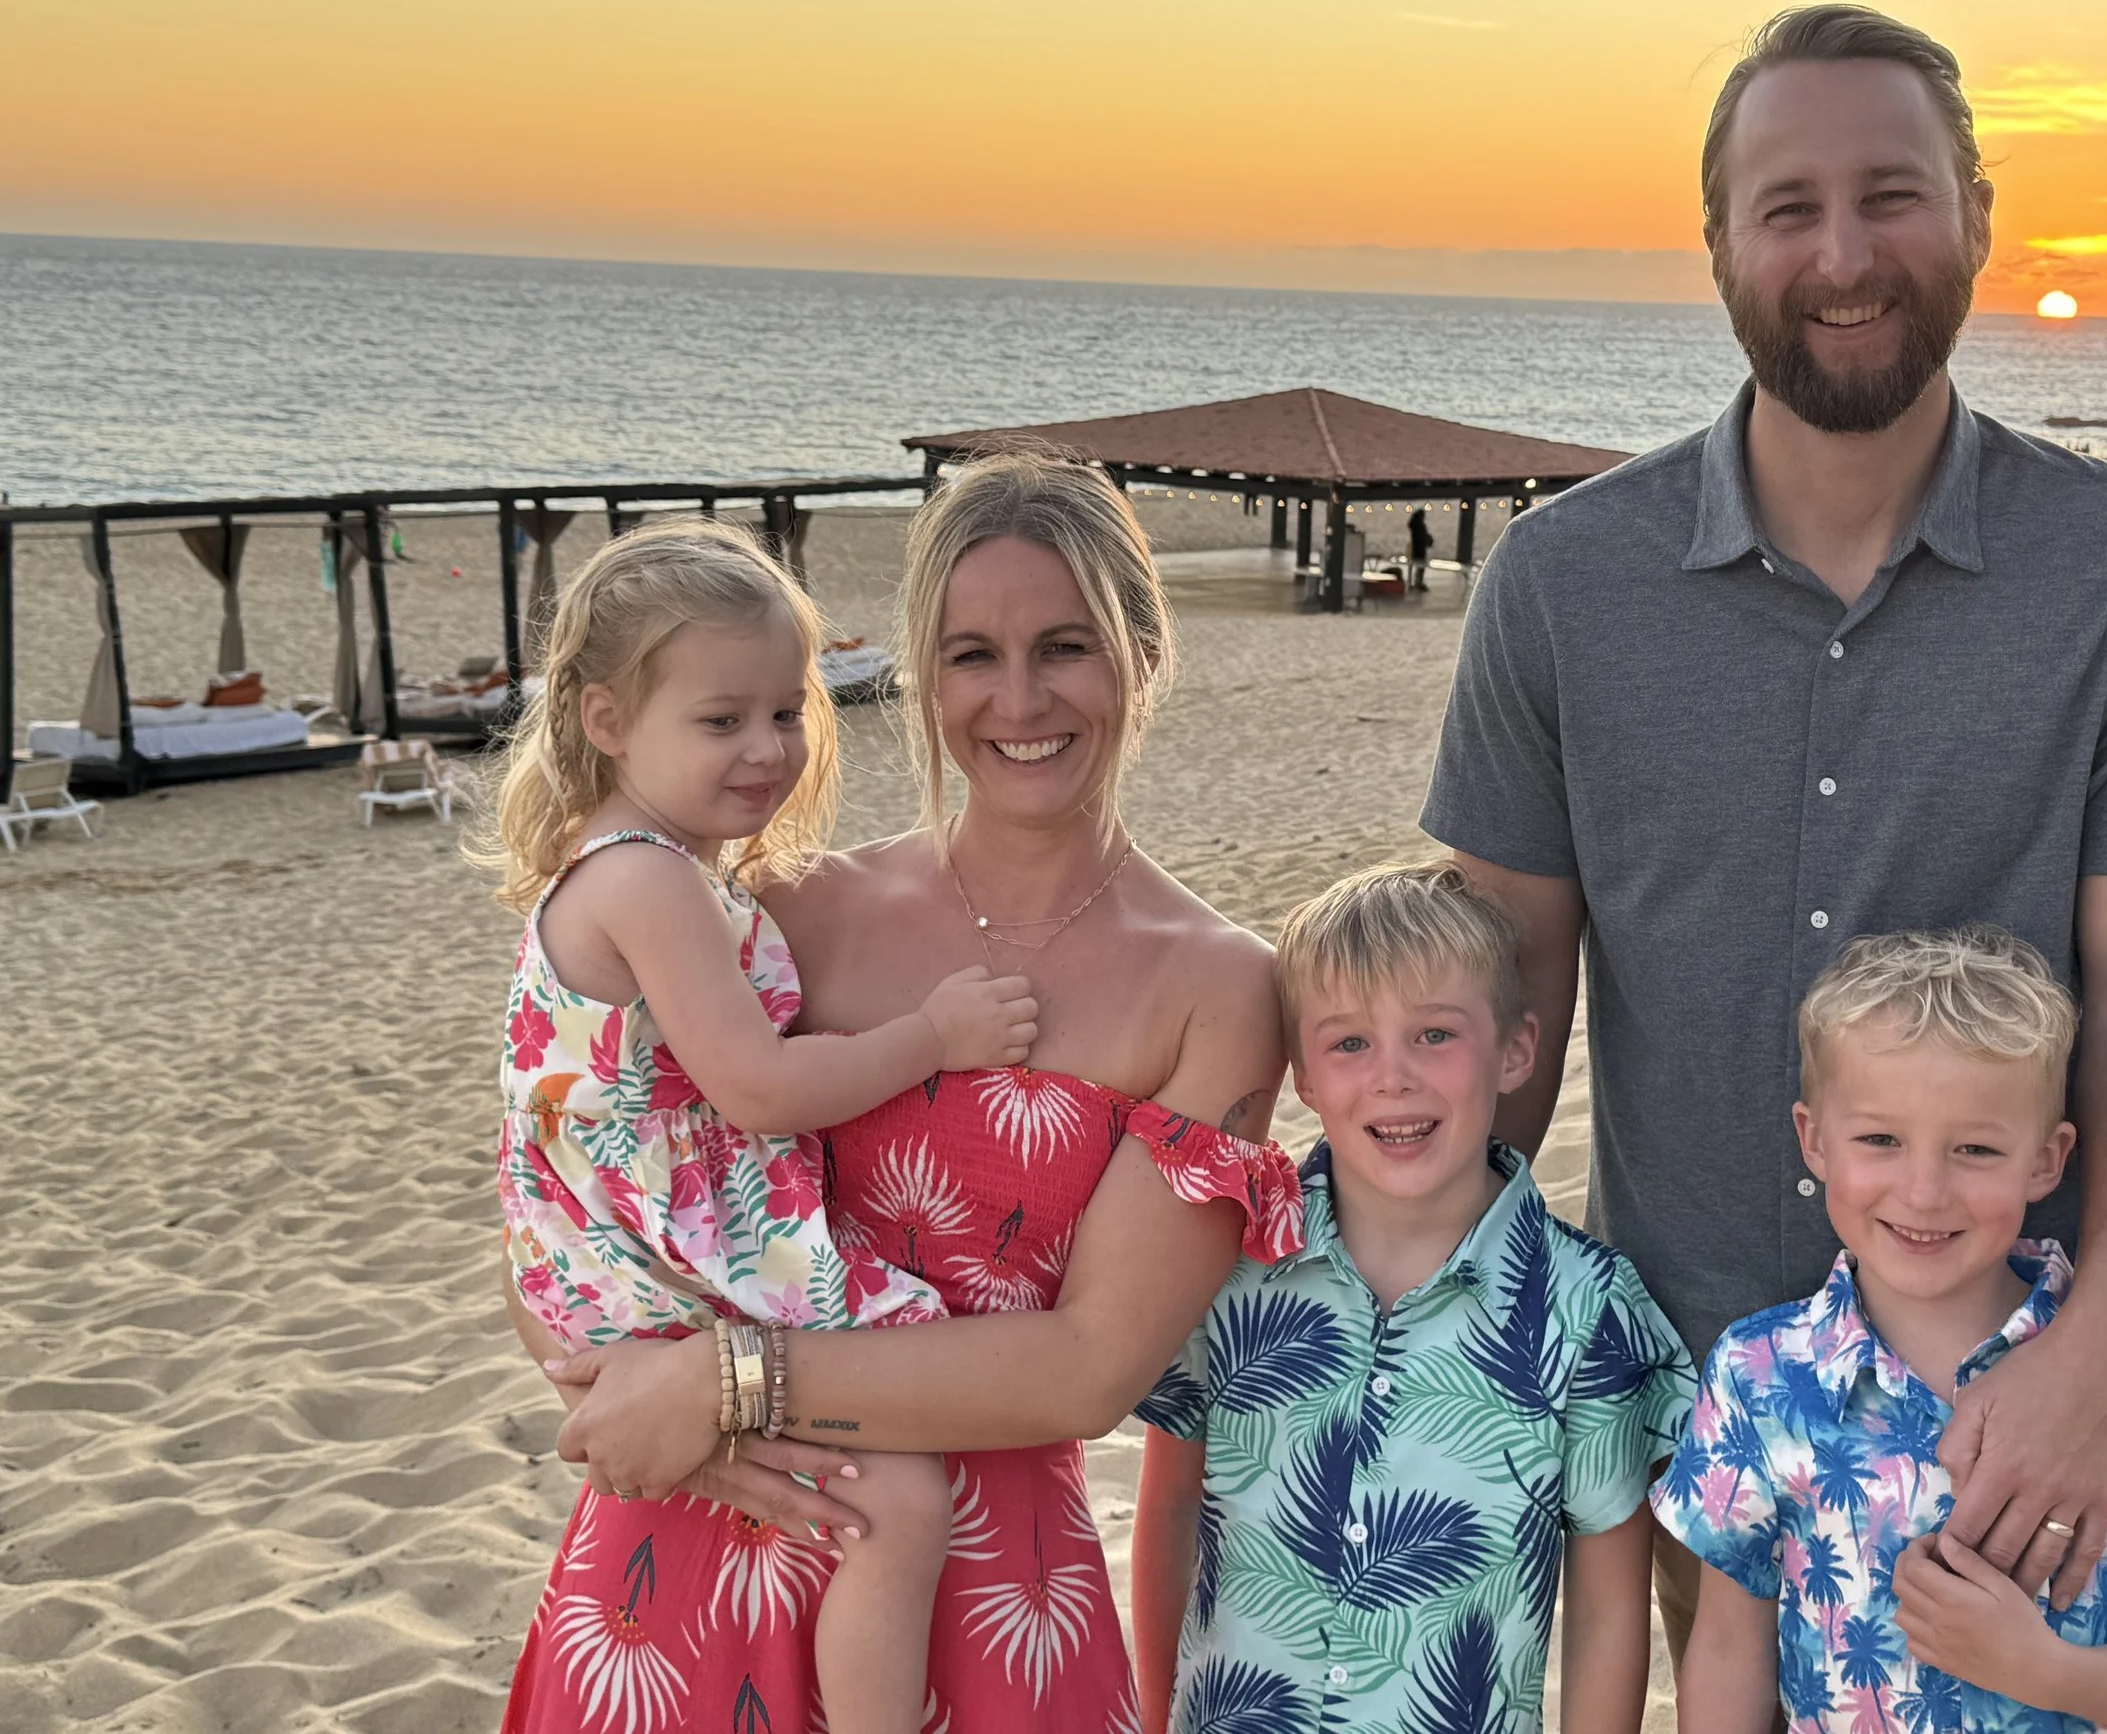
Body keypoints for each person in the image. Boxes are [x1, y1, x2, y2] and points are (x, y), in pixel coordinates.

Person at [1421, 3, 2107, 1732]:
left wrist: (2104, 1355)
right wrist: (1441, 1341)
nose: (1845, 253)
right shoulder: (1564, 585)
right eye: (1789, 206)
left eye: (1893, 196)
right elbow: (1495, 1006)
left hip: (2063, 1359)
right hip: (1713, 1406)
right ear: (1721, 243)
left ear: (1978, 221)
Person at [506, 452, 1307, 1732]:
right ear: (919, 677)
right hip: (698, 1543)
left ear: (1143, 654)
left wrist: (728, 1381)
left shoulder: (1217, 986)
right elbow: (569, 1152)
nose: (1019, 698)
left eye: (1066, 646)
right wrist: (605, 1376)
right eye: (969, 655)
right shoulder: (790, 912)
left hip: (992, 1594)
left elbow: (1088, 1372)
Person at [490, 519, 1052, 1731]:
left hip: (621, 1240)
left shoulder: (648, 869)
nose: (766, 749)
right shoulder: (646, 879)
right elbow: (757, 1089)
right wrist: (932, 1039)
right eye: (720, 720)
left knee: (868, 1480)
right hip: (665, 1255)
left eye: (786, 712)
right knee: (899, 1500)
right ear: (605, 722)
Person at [1660, 929, 2107, 1733]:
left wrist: (2043, 1669)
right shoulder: (1755, 1373)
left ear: (2047, 1160)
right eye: (1880, 1139)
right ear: (1814, 1139)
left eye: (1976, 1148)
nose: (1924, 1191)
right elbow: (1723, 1656)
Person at [1131, 860, 1693, 1734]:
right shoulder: (1231, 1261)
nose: (1392, 1077)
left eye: (1434, 1034)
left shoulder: (1589, 1311)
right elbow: (1169, 1503)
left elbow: (1607, 1607)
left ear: (1516, 1050)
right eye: (1349, 1042)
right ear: (1304, 1077)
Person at [1407, 507, 1437, 590]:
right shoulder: (1421, 526)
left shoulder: (1413, 525)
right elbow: (1424, 537)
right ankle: (1419, 583)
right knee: (1421, 567)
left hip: (1414, 548)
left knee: (1413, 565)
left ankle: (1412, 583)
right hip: (1420, 549)